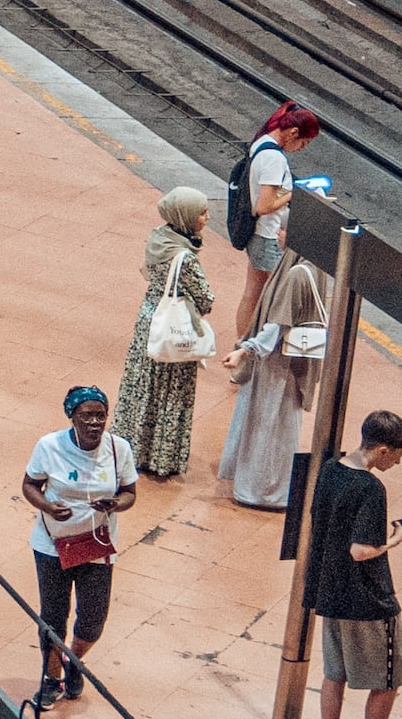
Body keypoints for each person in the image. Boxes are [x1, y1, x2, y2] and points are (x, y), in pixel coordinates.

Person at [301, 409, 402, 719]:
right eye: (397, 455)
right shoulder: (371, 489)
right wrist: (396, 540)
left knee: (334, 673)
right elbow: (361, 550)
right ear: (382, 450)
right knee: (387, 680)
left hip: (329, 591)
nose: (398, 462)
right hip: (365, 598)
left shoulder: (332, 470)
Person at [20, 386, 132, 703]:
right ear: (73, 417)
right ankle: (52, 678)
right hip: (53, 545)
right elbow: (30, 485)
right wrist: (47, 506)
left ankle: (74, 660)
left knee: (93, 619)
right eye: (87, 415)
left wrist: (115, 504)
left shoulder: (118, 449)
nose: (95, 422)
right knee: (53, 616)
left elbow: (130, 493)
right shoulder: (49, 446)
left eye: (101, 415)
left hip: (95, 545)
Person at [224, 245, 338, 513]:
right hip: (293, 365)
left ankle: (262, 490)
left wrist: (245, 350)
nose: (278, 235)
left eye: (284, 230)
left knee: (267, 425)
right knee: (283, 426)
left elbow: (277, 325)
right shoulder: (315, 265)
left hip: (278, 365)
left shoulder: (297, 273)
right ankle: (275, 488)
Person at [116, 184, 219, 480]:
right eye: (201, 212)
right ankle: (161, 458)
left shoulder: (159, 238)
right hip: (174, 329)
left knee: (142, 386)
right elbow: (206, 299)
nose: (207, 217)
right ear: (185, 215)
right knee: (169, 394)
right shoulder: (185, 258)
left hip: (150, 320)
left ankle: (134, 448)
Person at [232, 100, 322, 335]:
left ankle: (241, 345)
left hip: (256, 233)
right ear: (293, 133)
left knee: (252, 292)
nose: (302, 148)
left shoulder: (261, 143)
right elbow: (265, 205)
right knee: (281, 299)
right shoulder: (274, 158)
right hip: (268, 235)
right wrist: (296, 192)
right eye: (304, 142)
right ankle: (256, 351)